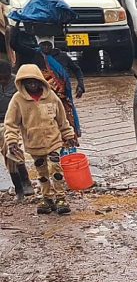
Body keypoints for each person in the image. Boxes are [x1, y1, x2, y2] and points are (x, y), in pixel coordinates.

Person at [3, 63, 77, 215]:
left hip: (54, 141)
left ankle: (61, 197)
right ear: (22, 84)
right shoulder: (18, 100)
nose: (32, 85)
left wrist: (69, 135)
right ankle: (47, 198)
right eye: (28, 82)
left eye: (34, 81)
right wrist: (12, 141)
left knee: (56, 168)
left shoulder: (51, 97)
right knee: (42, 172)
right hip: (34, 144)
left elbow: (62, 119)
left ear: (40, 81)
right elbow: (11, 123)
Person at [38, 41, 83, 142]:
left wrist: (80, 85)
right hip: (45, 98)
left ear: (52, 45)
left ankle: (70, 142)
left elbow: (77, 70)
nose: (46, 47)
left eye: (48, 45)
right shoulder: (36, 57)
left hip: (62, 96)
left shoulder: (62, 56)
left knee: (66, 121)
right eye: (43, 45)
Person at [0, 60, 31, 201]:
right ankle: (23, 183)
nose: (3, 81)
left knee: (11, 146)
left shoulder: (18, 84)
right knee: (7, 151)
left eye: (5, 78)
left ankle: (21, 186)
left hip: (15, 121)